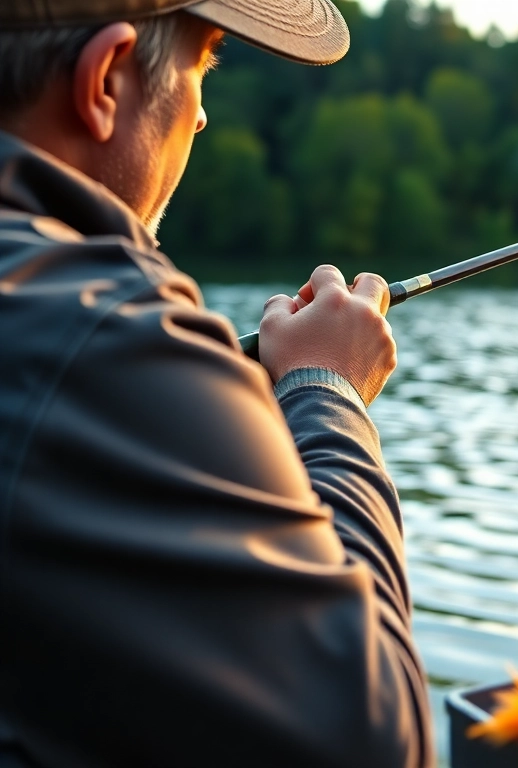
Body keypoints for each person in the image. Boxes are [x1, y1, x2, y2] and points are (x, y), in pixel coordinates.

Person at [0, 2, 432, 766]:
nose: (200, 116)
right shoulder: (101, 331)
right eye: (203, 62)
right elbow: (375, 738)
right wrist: (326, 391)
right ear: (104, 81)